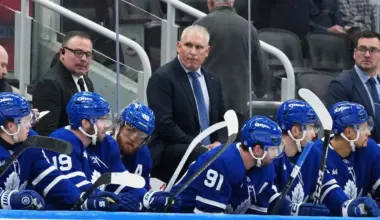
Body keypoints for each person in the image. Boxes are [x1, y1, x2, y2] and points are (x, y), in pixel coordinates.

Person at [43, 92, 181, 212]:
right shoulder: (62, 140)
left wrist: (148, 198)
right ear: (86, 123)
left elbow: (122, 180)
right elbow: (73, 186)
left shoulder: (108, 144)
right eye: (102, 119)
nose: (107, 125)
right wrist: (110, 200)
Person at [0, 92, 118, 211]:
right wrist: (10, 199)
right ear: (10, 126)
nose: (30, 125)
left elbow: (50, 177)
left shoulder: (31, 141)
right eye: (26, 121)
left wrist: (82, 200)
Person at [171, 115, 311, 214]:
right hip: (177, 215)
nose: (277, 155)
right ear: (257, 150)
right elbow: (209, 216)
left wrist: (294, 209)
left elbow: (259, 212)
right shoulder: (221, 163)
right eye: (274, 149)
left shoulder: (265, 167)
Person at [272, 99, 379, 216]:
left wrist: (350, 206)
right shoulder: (271, 158)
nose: (314, 134)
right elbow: (266, 200)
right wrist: (294, 210)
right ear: (295, 130)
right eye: (311, 127)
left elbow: (328, 188)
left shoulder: (312, 153)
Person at [147, 25, 226, 183]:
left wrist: (220, 143)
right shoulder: (162, 78)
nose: (193, 52)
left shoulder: (212, 80)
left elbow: (221, 120)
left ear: (207, 51)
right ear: (178, 46)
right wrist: (198, 146)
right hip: (172, 150)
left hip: (205, 150)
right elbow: (164, 124)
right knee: (200, 156)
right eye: (188, 45)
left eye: (198, 47)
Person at [194, 0, 269, 129]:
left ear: (210, 3)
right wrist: (260, 90)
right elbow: (261, 68)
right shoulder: (248, 28)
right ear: (232, 3)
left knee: (208, 147)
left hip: (207, 104)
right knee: (234, 147)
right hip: (237, 104)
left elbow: (188, 63)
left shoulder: (200, 26)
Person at [313, 101, 380, 216]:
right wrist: (356, 208)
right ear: (348, 132)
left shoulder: (370, 148)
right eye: (364, 128)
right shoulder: (317, 153)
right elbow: (334, 199)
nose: (369, 132)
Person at [32, 31, 95, 136]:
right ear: (62, 53)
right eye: (78, 53)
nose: (84, 59)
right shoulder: (50, 84)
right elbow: (47, 134)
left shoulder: (86, 81)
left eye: (88, 54)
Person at [327, 30, 380, 143]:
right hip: (358, 155)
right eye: (362, 49)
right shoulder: (340, 85)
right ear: (354, 53)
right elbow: (341, 132)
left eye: (373, 50)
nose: (367, 55)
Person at [112, 102, 154, 190]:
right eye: (130, 130)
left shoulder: (144, 156)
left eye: (141, 135)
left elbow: (143, 191)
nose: (132, 138)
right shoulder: (100, 146)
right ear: (119, 125)